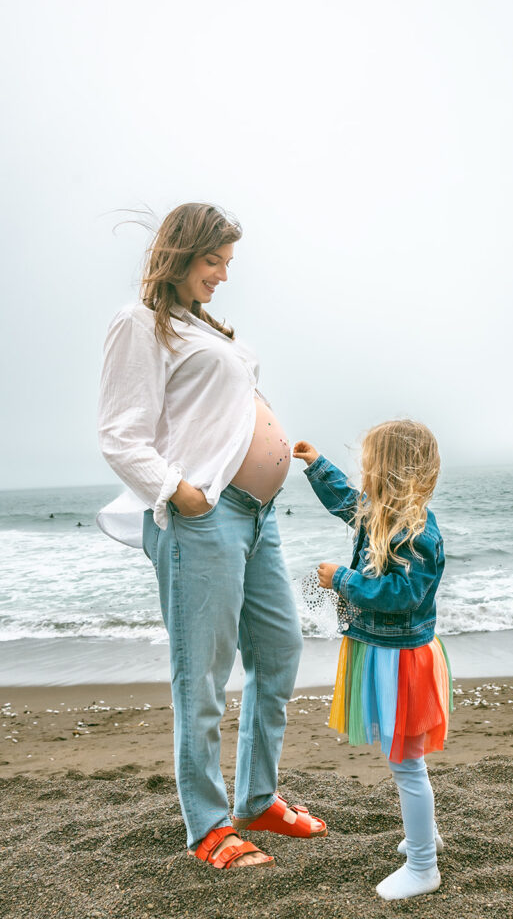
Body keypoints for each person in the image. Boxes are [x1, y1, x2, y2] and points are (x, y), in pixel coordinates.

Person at [97, 202, 325, 873]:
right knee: (201, 677)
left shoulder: (208, 331)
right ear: (179, 253)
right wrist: (179, 491)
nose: (223, 274)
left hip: (256, 518)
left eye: (228, 263)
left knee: (279, 651)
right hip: (203, 517)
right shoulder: (140, 324)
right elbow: (119, 432)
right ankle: (207, 825)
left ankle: (256, 800)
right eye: (212, 260)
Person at [292, 421, 451, 901]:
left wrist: (342, 579)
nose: (361, 474)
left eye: (368, 465)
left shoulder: (417, 532)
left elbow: (402, 595)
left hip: (403, 660)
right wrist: (316, 464)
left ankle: (424, 865)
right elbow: (345, 500)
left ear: (390, 472)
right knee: (404, 758)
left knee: (406, 762)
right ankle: (427, 837)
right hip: (382, 653)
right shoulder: (380, 513)